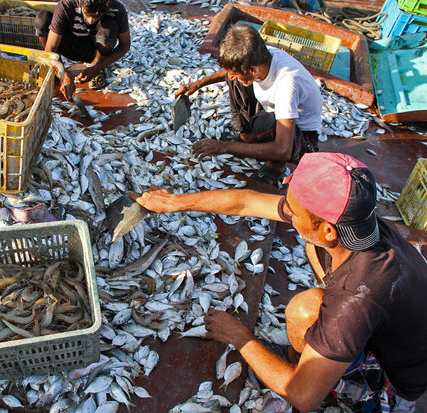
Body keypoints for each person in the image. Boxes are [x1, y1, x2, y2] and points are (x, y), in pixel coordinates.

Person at [133, 152, 427, 412]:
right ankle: (325, 356)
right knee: (311, 250)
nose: (286, 213)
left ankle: (331, 375)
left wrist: (240, 337)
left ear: (327, 229)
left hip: (393, 383)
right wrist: (173, 203)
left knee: (303, 311)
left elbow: (302, 397)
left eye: (294, 212)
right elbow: (243, 202)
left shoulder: (358, 296)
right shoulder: (358, 223)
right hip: (382, 325)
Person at [177, 24, 322, 186]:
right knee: (235, 81)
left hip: (300, 138)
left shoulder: (286, 84)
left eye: (238, 73)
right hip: (273, 111)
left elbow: (284, 148)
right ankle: (248, 137)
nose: (232, 76)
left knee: (264, 123)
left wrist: (225, 147)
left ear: (252, 70)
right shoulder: (261, 56)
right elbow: (229, 72)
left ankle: (277, 165)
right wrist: (198, 84)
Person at [35, 0, 130, 100]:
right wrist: (63, 74)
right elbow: (50, 49)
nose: (90, 21)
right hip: (69, 45)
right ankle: (56, 70)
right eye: (87, 14)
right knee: (42, 19)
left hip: (94, 51)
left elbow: (125, 45)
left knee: (110, 26)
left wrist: (96, 68)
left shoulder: (117, 8)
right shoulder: (66, 5)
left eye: (96, 17)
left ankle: (96, 65)